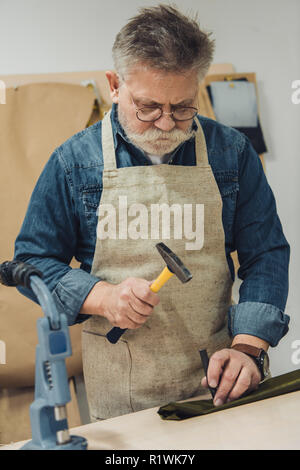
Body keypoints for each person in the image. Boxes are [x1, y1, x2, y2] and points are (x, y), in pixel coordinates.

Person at [14, 5, 290, 421]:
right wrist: (102, 297)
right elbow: (31, 262)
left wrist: (248, 347)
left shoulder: (230, 153)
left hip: (218, 385)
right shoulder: (74, 162)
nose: (165, 125)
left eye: (182, 107)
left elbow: (266, 254)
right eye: (148, 108)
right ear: (114, 85)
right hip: (122, 393)